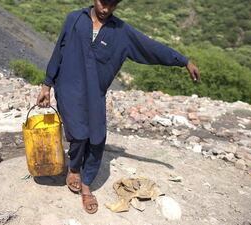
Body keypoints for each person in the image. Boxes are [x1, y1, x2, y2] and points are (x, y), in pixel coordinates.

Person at [36, 0, 200, 214]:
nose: (106, 9)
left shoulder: (121, 32)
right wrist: (46, 85)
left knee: (96, 138)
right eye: (102, 3)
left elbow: (151, 47)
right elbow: (58, 51)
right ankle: (74, 168)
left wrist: (184, 61)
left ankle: (86, 185)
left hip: (95, 94)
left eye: (112, 5)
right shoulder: (74, 19)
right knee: (78, 134)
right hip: (68, 88)